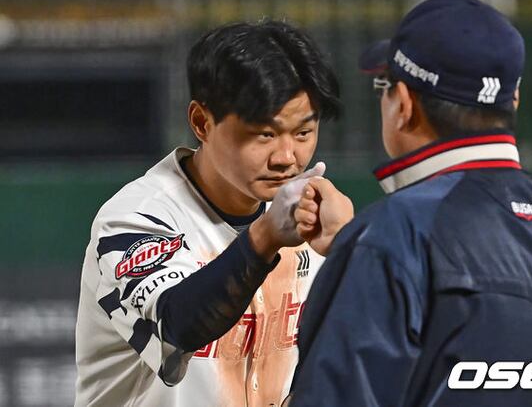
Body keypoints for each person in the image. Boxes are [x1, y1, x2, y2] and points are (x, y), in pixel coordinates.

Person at [289, 0, 532, 406]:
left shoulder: (391, 235)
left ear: (404, 104)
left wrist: (362, 250)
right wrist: (353, 248)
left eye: (382, 86)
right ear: (512, 100)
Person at [74, 20, 341, 407]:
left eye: (303, 133)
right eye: (265, 134)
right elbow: (177, 327)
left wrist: (351, 248)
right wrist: (264, 237)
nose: (287, 157)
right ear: (202, 122)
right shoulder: (136, 218)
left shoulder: (310, 220)